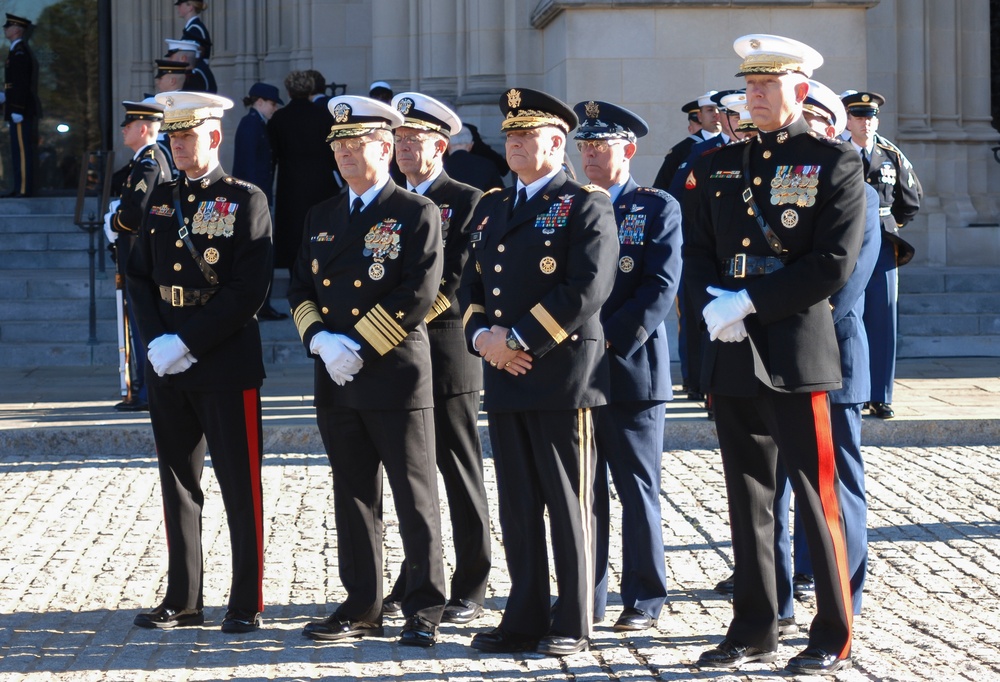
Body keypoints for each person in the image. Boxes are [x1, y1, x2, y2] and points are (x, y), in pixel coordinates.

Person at [683, 34, 864, 675]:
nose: (754, 95)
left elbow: (832, 263)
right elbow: (699, 248)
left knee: (817, 498)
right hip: (730, 349)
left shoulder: (834, 161)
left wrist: (748, 303)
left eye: (768, 85)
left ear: (801, 91)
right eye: (749, 85)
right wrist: (712, 308)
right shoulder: (722, 164)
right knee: (748, 496)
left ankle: (832, 633)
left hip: (791, 348)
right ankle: (754, 626)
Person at [458, 87, 618, 657]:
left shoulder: (585, 203)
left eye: (527, 136)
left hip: (561, 375)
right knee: (519, 502)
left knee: (568, 499)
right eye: (510, 136)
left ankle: (573, 620)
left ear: (557, 142)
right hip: (504, 373)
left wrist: (519, 338)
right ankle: (523, 615)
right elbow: (471, 286)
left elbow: (588, 287)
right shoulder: (492, 205)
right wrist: (484, 339)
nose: (516, 145)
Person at [287, 95, 447, 648]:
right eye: (338, 146)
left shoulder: (414, 212)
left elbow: (418, 293)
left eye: (356, 145)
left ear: (385, 147)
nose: (345, 155)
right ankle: (361, 605)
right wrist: (322, 342)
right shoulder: (321, 214)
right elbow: (299, 288)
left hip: (393, 373)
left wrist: (356, 343)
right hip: (336, 374)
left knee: (413, 494)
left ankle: (424, 606)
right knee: (352, 493)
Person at [127, 91, 272, 634]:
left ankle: (246, 599)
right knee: (176, 482)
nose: (179, 145)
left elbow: (247, 290)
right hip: (166, 358)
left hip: (224, 357)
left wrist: (185, 342)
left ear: (214, 137)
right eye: (173, 136)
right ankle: (184, 597)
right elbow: (137, 273)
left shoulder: (245, 199)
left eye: (188, 136)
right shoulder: (160, 199)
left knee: (241, 484)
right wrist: (156, 342)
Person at [772, 79, 882, 628]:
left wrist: (774, 318)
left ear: (834, 130)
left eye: (818, 122)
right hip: (778, 361)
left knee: (837, 484)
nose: (807, 131)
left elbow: (842, 288)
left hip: (831, 360)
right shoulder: (782, 191)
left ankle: (847, 596)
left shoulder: (861, 193)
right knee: (789, 485)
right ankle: (789, 590)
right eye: (803, 120)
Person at [379, 92, 490, 626]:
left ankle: (472, 583)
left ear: (441, 145)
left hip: (446, 353)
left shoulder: (467, 200)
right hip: (397, 356)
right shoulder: (389, 201)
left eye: (413, 140)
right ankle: (416, 577)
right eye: (398, 139)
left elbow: (459, 281)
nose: (402, 149)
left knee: (458, 472)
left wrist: (399, 322)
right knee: (412, 478)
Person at [572, 100, 682, 632]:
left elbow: (659, 289)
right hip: (574, 374)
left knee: (636, 489)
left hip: (630, 367)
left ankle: (643, 598)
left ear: (629, 150)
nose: (590, 155)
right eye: (584, 147)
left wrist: (602, 342)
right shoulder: (569, 205)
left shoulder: (655, 206)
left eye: (601, 146)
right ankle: (584, 598)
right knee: (581, 491)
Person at [841, 90, 921, 420]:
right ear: (846, 118)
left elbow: (910, 199)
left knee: (883, 318)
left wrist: (887, 223)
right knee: (850, 316)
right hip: (847, 246)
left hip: (885, 245)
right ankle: (853, 391)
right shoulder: (836, 151)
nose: (866, 122)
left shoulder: (890, 153)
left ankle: (880, 394)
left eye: (871, 116)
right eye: (859, 116)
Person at [105, 98, 172, 412]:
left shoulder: (149, 162)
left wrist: (112, 222)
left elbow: (134, 215)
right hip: (138, 255)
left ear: (143, 128)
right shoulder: (144, 159)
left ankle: (146, 391)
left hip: (141, 256)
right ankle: (144, 389)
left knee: (143, 325)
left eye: (128, 124)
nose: (123, 129)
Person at [268, 71, 342, 279]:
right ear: (310, 90)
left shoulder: (279, 118)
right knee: (321, 234)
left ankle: (297, 280)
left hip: (290, 185)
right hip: (322, 184)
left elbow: (272, 156)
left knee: (294, 237)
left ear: (289, 91)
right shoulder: (323, 116)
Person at [233, 82, 287, 321]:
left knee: (261, 254)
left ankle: (260, 305)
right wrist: (253, 203)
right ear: (260, 102)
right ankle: (257, 305)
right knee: (257, 254)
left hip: (257, 200)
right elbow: (248, 170)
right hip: (251, 202)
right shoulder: (250, 125)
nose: (274, 109)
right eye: (272, 104)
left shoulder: (257, 124)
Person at [2, 13, 40, 198]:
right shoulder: (15, 51)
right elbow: (14, 83)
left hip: (20, 109)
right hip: (15, 107)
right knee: (17, 150)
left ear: (17, 30)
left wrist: (16, 107)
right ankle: (19, 186)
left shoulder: (20, 52)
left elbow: (22, 83)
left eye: (9, 26)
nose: (5, 29)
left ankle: (24, 188)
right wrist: (5, 96)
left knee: (23, 151)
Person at [652, 91, 720, 192]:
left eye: (720, 110)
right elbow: (662, 187)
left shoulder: (733, 144)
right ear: (700, 116)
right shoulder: (681, 150)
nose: (716, 114)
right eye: (710, 110)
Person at [443, 125, 504, 192]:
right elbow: (499, 193)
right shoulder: (487, 165)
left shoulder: (439, 166)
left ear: (448, 145)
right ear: (470, 145)